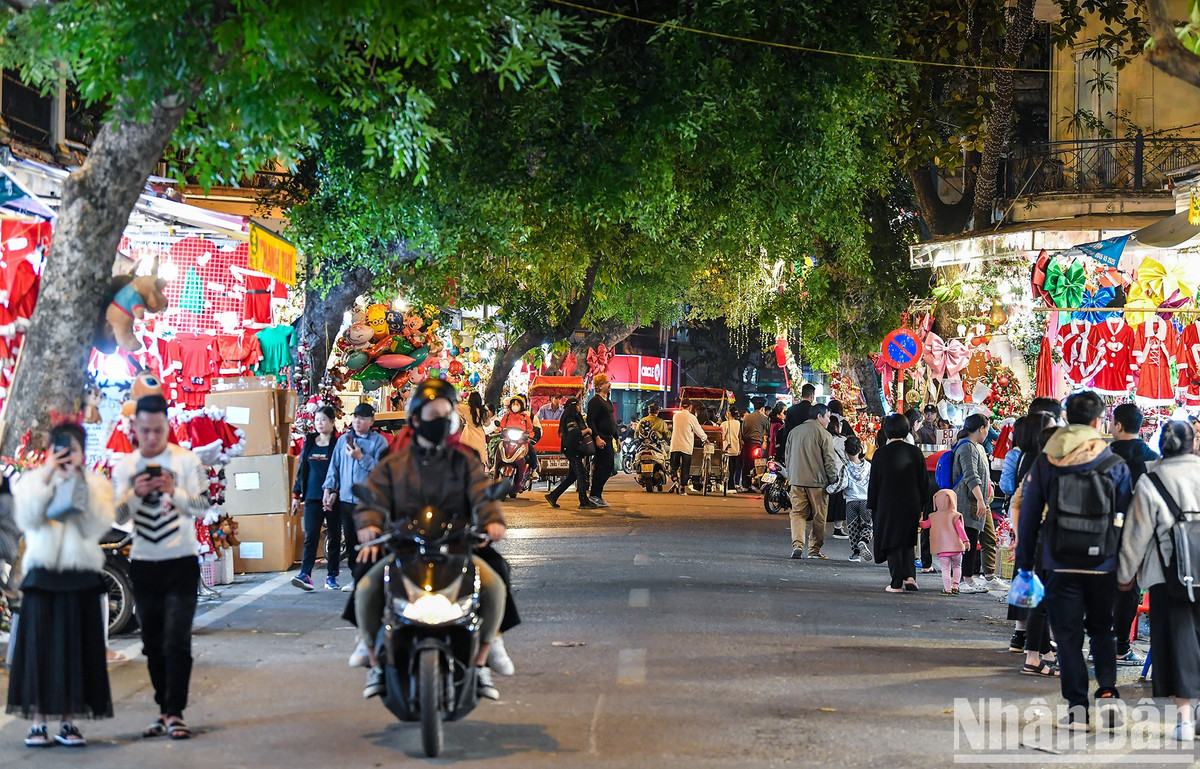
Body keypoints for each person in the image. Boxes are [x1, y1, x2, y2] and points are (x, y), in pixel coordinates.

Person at [353, 378, 508, 701]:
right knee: (367, 586)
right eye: (431, 414)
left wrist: (491, 520)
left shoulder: (465, 459)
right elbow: (374, 497)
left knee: (494, 584)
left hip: (457, 546)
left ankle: (482, 660)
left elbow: (482, 493)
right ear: (415, 418)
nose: (439, 421)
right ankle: (373, 658)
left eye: (445, 414)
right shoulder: (394, 462)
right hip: (404, 547)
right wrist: (369, 524)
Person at [1017, 390, 1132, 732]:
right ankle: (1109, 693)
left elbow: (1029, 514)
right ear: (1099, 422)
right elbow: (1127, 516)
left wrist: (1026, 563)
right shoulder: (1115, 464)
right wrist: (1124, 564)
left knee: (1067, 636)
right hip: (1104, 563)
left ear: (1067, 419)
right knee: (1103, 630)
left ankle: (1078, 709)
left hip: (1058, 560)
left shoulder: (1046, 459)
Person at [8, 422, 114, 747]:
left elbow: (96, 526)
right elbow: (27, 519)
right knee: (38, 649)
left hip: (80, 575)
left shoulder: (96, 484)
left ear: (83, 452)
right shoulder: (31, 481)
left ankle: (69, 722)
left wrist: (78, 481)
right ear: (50, 449)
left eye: (74, 450)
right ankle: (37, 722)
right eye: (61, 449)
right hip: (42, 576)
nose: (67, 456)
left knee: (76, 649)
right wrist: (47, 477)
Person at [112, 395, 211, 741]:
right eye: (145, 431)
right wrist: (136, 495)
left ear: (167, 426)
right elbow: (117, 517)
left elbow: (203, 505)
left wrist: (175, 492)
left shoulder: (186, 461)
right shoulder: (124, 467)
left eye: (158, 430)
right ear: (135, 429)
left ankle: (176, 712)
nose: (152, 437)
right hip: (143, 564)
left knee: (177, 640)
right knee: (152, 642)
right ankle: (163, 709)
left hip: (181, 561)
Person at [1118, 420, 1200, 742]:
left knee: (1179, 643)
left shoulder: (1151, 481)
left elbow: (1135, 535)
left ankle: (1184, 719)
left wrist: (1125, 575)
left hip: (1170, 577)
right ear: (1193, 444)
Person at [1108, 402, 1157, 668]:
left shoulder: (1102, 456)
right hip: (1138, 534)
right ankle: (1121, 647)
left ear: (1118, 425)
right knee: (1129, 589)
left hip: (1103, 532)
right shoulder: (1151, 458)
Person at [322, 403, 388, 592]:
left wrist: (361, 457)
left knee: (369, 541)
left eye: (363, 418)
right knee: (352, 542)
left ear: (371, 421)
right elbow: (334, 467)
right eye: (356, 418)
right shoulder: (344, 440)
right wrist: (329, 489)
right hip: (346, 500)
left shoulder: (379, 442)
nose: (358, 422)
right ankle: (357, 577)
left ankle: (372, 579)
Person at [868, 414, 928, 592]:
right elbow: (923, 481)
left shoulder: (880, 454)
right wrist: (922, 505)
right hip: (911, 502)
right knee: (908, 540)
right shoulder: (915, 452)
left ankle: (896, 582)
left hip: (886, 504)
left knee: (891, 539)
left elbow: (874, 483)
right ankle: (910, 577)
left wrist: (872, 505)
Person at [291, 406, 339, 591]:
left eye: (324, 420)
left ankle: (332, 576)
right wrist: (296, 495)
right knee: (311, 535)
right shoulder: (310, 441)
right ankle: (305, 574)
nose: (319, 423)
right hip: (312, 496)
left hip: (334, 498)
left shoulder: (338, 443)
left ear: (332, 423)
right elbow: (302, 468)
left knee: (334, 537)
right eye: (317, 420)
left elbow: (340, 469)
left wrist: (336, 491)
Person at [783, 404, 841, 559]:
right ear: (819, 416)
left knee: (797, 513)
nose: (829, 420)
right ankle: (814, 550)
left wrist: (791, 475)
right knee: (819, 516)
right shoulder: (824, 435)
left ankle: (797, 544)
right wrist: (834, 479)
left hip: (796, 480)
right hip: (818, 483)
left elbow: (787, 456)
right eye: (828, 416)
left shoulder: (794, 432)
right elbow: (829, 461)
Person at [951, 414, 994, 594]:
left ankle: (966, 578)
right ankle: (964, 579)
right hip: (967, 502)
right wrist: (980, 500)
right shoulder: (968, 447)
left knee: (970, 538)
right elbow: (971, 475)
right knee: (967, 540)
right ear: (982, 429)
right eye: (987, 429)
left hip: (971, 500)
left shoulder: (973, 447)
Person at [546, 397, 597, 509]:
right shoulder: (569, 418)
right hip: (572, 450)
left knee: (572, 476)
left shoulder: (576, 417)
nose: (580, 406)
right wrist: (587, 431)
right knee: (582, 475)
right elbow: (574, 433)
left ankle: (553, 496)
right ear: (573, 406)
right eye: (578, 404)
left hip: (574, 450)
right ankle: (583, 501)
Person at [921, 489, 969, 595]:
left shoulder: (933, 517)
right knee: (957, 566)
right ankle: (956, 586)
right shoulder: (955, 516)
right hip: (957, 549)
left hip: (942, 550)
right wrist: (966, 541)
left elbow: (924, 525)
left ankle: (947, 590)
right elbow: (961, 530)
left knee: (945, 569)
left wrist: (918, 521)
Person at [586, 374, 618, 508]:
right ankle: (594, 494)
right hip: (601, 438)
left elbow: (612, 421)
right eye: (606, 382)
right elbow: (590, 420)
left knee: (609, 466)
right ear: (599, 386)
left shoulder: (608, 401)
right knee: (605, 466)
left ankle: (597, 494)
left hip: (609, 438)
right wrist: (597, 437)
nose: (609, 384)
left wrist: (617, 437)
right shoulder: (595, 401)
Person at [840, 436, 872, 562]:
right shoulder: (869, 466)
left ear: (845, 451)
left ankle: (856, 553)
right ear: (860, 450)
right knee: (867, 525)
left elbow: (841, 484)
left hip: (851, 501)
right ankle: (863, 541)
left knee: (853, 527)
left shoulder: (846, 467)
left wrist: (829, 489)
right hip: (865, 500)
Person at [670, 402, 709, 495]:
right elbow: (698, 430)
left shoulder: (675, 416)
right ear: (690, 407)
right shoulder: (692, 418)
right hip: (686, 447)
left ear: (681, 406)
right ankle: (682, 488)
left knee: (674, 466)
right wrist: (705, 438)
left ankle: (674, 477)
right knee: (685, 468)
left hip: (675, 445)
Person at [497, 396, 535, 488]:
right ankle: (493, 467)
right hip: (507, 441)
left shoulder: (525, 418)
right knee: (496, 447)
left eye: (517, 404)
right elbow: (501, 427)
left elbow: (530, 430)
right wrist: (498, 430)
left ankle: (534, 470)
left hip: (521, 442)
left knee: (532, 451)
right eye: (513, 404)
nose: (515, 406)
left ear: (521, 406)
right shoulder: (506, 416)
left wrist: (530, 435)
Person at [775, 384, 815, 464]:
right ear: (812, 395)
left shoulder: (791, 410)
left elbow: (786, 431)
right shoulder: (814, 410)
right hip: (810, 448)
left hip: (794, 447)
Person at [740, 397, 770, 488]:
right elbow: (768, 431)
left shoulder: (747, 418)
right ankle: (758, 483)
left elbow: (742, 431)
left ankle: (745, 484)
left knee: (746, 464)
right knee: (760, 464)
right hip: (758, 444)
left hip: (747, 444)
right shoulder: (765, 419)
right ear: (762, 408)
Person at [457, 391, 490, 463]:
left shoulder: (466, 408)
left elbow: (456, 406)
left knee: (466, 456)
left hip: (468, 434)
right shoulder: (484, 411)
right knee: (479, 457)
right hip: (480, 435)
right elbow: (487, 424)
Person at [721, 406, 743, 491]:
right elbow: (739, 435)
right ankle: (732, 485)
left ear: (729, 413)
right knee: (733, 467)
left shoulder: (725, 424)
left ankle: (728, 485)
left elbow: (722, 437)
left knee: (727, 468)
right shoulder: (738, 423)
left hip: (727, 448)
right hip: (735, 448)